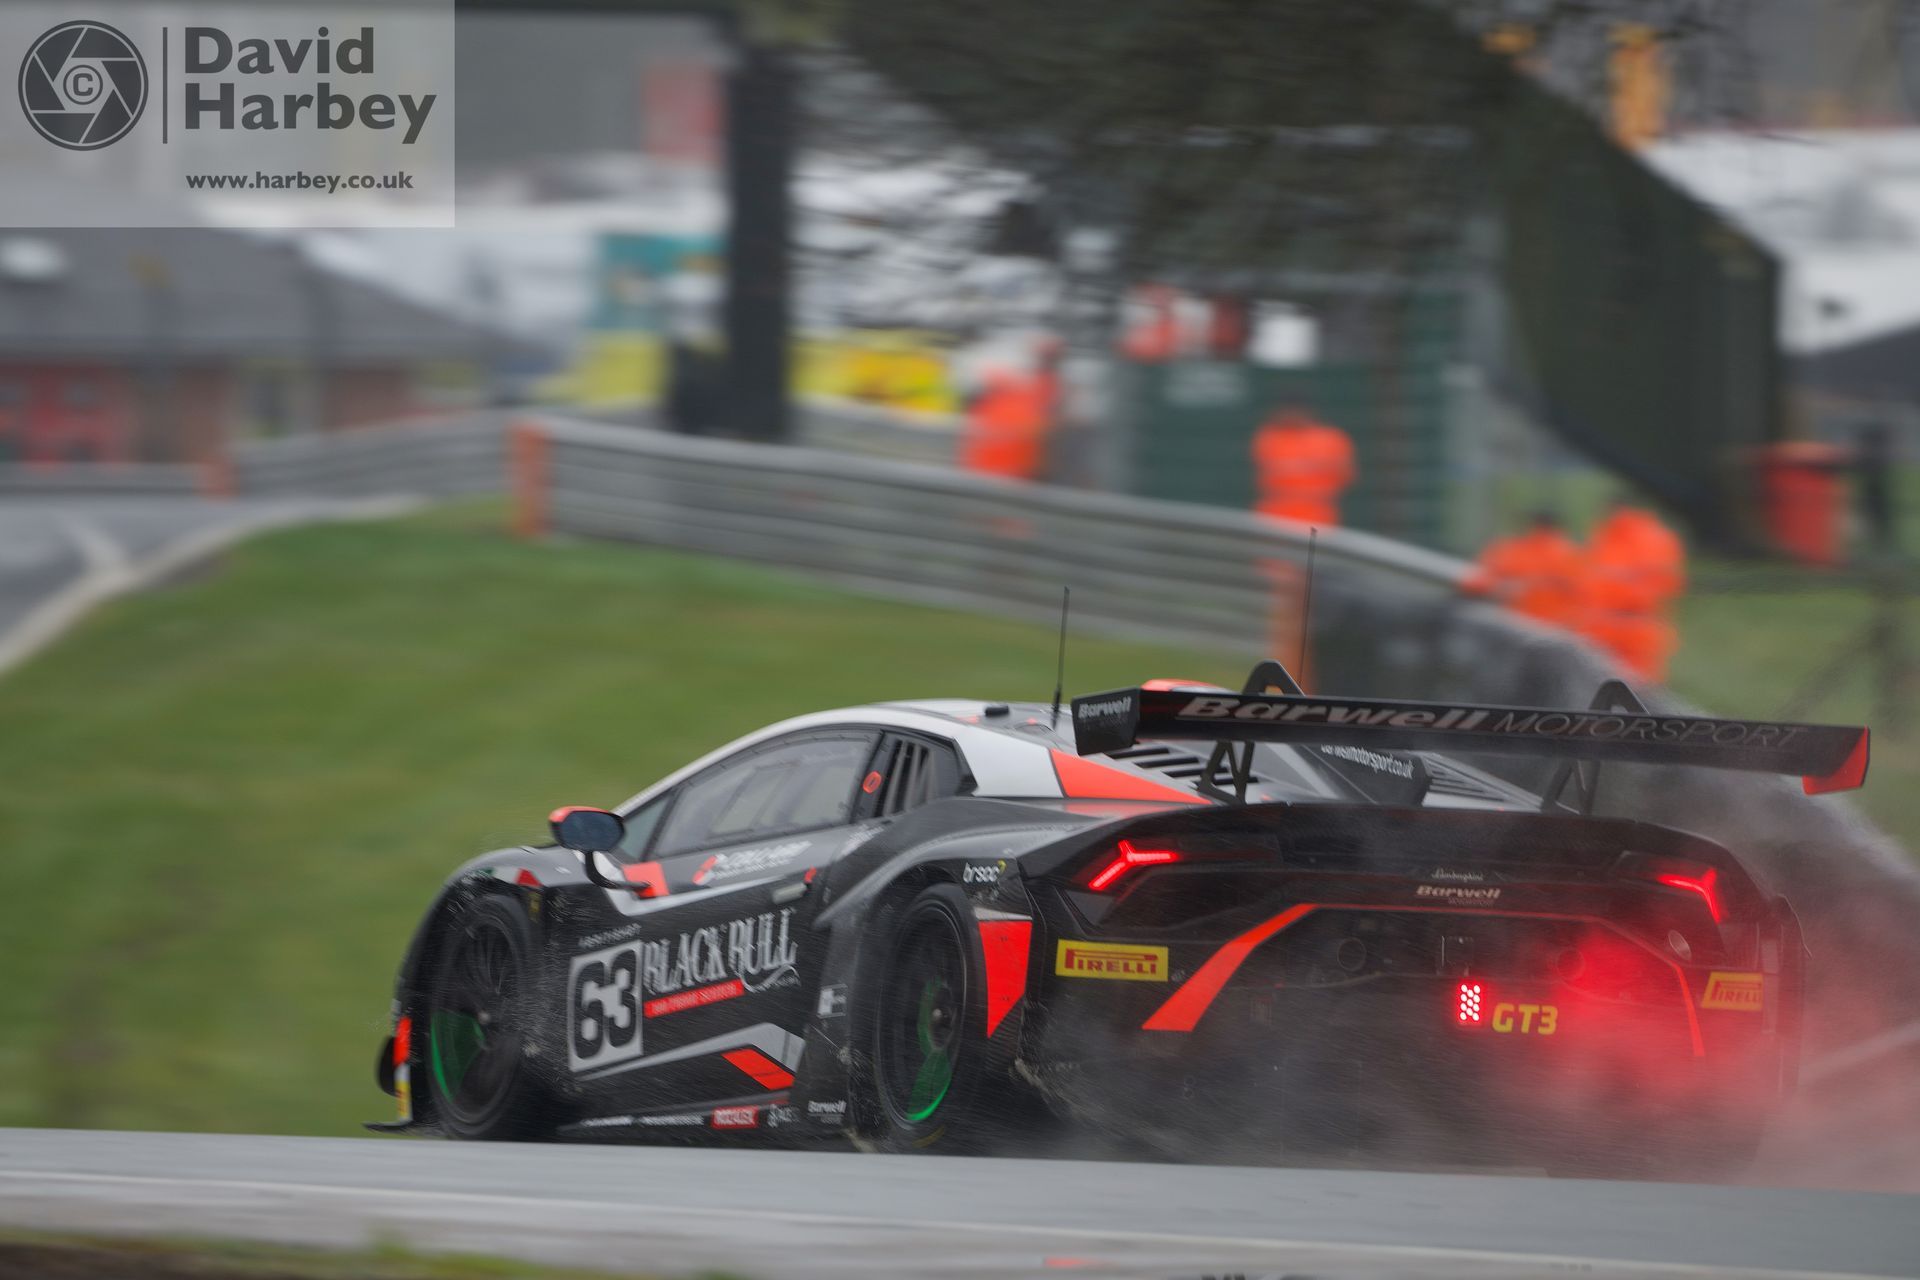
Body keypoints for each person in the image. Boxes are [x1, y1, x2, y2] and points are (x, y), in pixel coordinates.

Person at [1584, 495, 1685, 681]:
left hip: (1634, 626)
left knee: (1637, 686)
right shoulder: (1605, 536)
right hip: (1604, 626)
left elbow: (1661, 581)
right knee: (1603, 684)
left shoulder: (1650, 538)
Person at [1464, 510, 1590, 631]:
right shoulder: (1571, 553)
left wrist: (1502, 586)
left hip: (1515, 626)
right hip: (1553, 629)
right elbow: (1585, 594)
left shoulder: (1509, 549)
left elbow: (1476, 582)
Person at [1252, 406, 1356, 526]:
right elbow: (1270, 471)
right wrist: (1315, 466)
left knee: (1313, 537)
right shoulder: (1271, 436)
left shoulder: (1331, 438)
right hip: (1276, 512)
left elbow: (1346, 472)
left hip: (1318, 511)